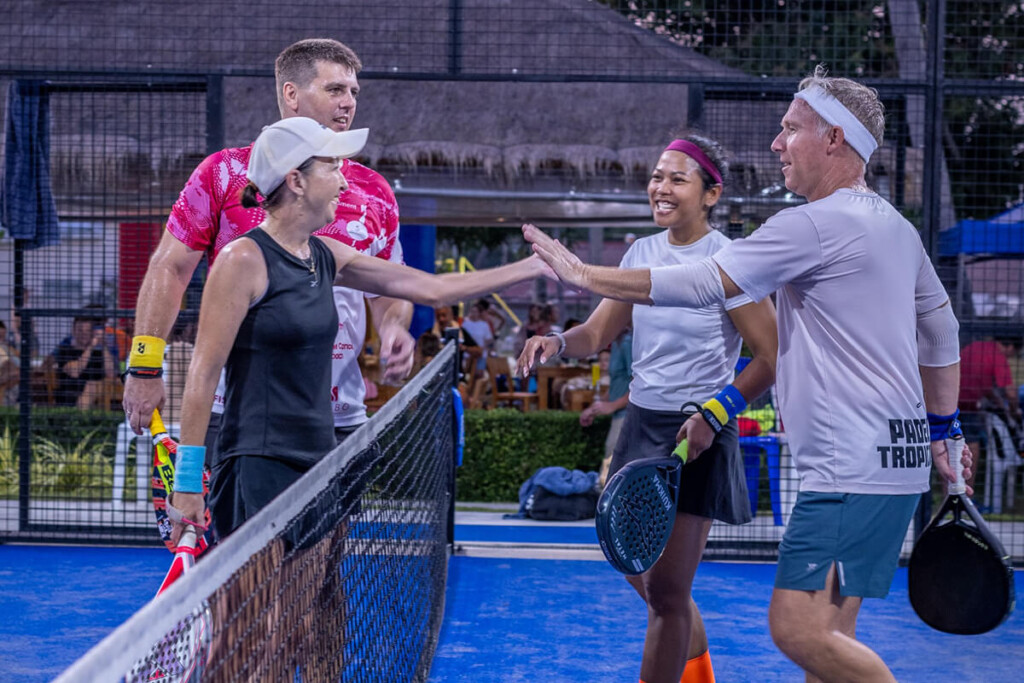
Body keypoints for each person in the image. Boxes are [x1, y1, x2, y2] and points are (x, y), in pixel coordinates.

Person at [523, 67, 973, 683]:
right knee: (831, 642)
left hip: (845, 467)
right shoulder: (896, 228)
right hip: (895, 462)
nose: (776, 143)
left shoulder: (813, 223)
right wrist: (944, 430)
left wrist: (583, 274)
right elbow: (943, 333)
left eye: (790, 129)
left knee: (798, 631)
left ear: (835, 139)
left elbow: (705, 281)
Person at [169, 118, 550, 680]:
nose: (346, 180)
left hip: (321, 461)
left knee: (294, 627)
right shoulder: (241, 261)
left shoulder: (326, 254)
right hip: (256, 467)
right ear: (296, 181)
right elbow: (202, 376)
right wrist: (186, 484)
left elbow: (431, 288)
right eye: (332, 166)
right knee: (255, 638)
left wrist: (536, 264)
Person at [518, 133, 778, 683]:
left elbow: (771, 357)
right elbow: (596, 333)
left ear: (711, 194)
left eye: (677, 178)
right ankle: (699, 670)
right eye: (658, 176)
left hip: (698, 431)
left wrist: (714, 414)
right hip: (642, 425)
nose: (660, 188)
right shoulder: (640, 254)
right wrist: (558, 342)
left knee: (666, 594)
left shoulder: (731, 261)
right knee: (632, 560)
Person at [122, 38, 415, 450]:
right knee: (229, 518)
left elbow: (389, 288)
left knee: (335, 520)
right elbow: (169, 269)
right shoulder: (221, 174)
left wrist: (393, 328)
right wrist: (145, 367)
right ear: (291, 94)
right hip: (235, 410)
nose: (348, 102)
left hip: (338, 413)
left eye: (353, 92)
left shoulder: (373, 190)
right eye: (334, 89)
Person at [959, 336, 1024, 492]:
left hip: (949, 402)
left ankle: (951, 495)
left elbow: (983, 385)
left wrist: (998, 402)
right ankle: (967, 496)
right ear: (1009, 347)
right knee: (972, 446)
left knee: (948, 446)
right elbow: (1011, 393)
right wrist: (1014, 411)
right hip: (969, 406)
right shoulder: (998, 356)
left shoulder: (975, 346)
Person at [582, 328, 632, 487]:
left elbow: (639, 384)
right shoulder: (617, 344)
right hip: (619, 414)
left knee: (611, 469)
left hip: (627, 414)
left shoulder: (627, 343)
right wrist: (594, 408)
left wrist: (612, 405)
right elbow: (616, 386)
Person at [44, 315, 117, 408]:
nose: (84, 334)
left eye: (87, 331)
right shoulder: (65, 350)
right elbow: (75, 372)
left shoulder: (99, 353)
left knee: (93, 385)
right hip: (70, 396)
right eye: (80, 330)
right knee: (90, 386)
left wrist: (104, 345)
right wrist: (90, 347)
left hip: (98, 399)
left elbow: (110, 374)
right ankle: (80, 416)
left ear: (92, 333)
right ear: (73, 331)